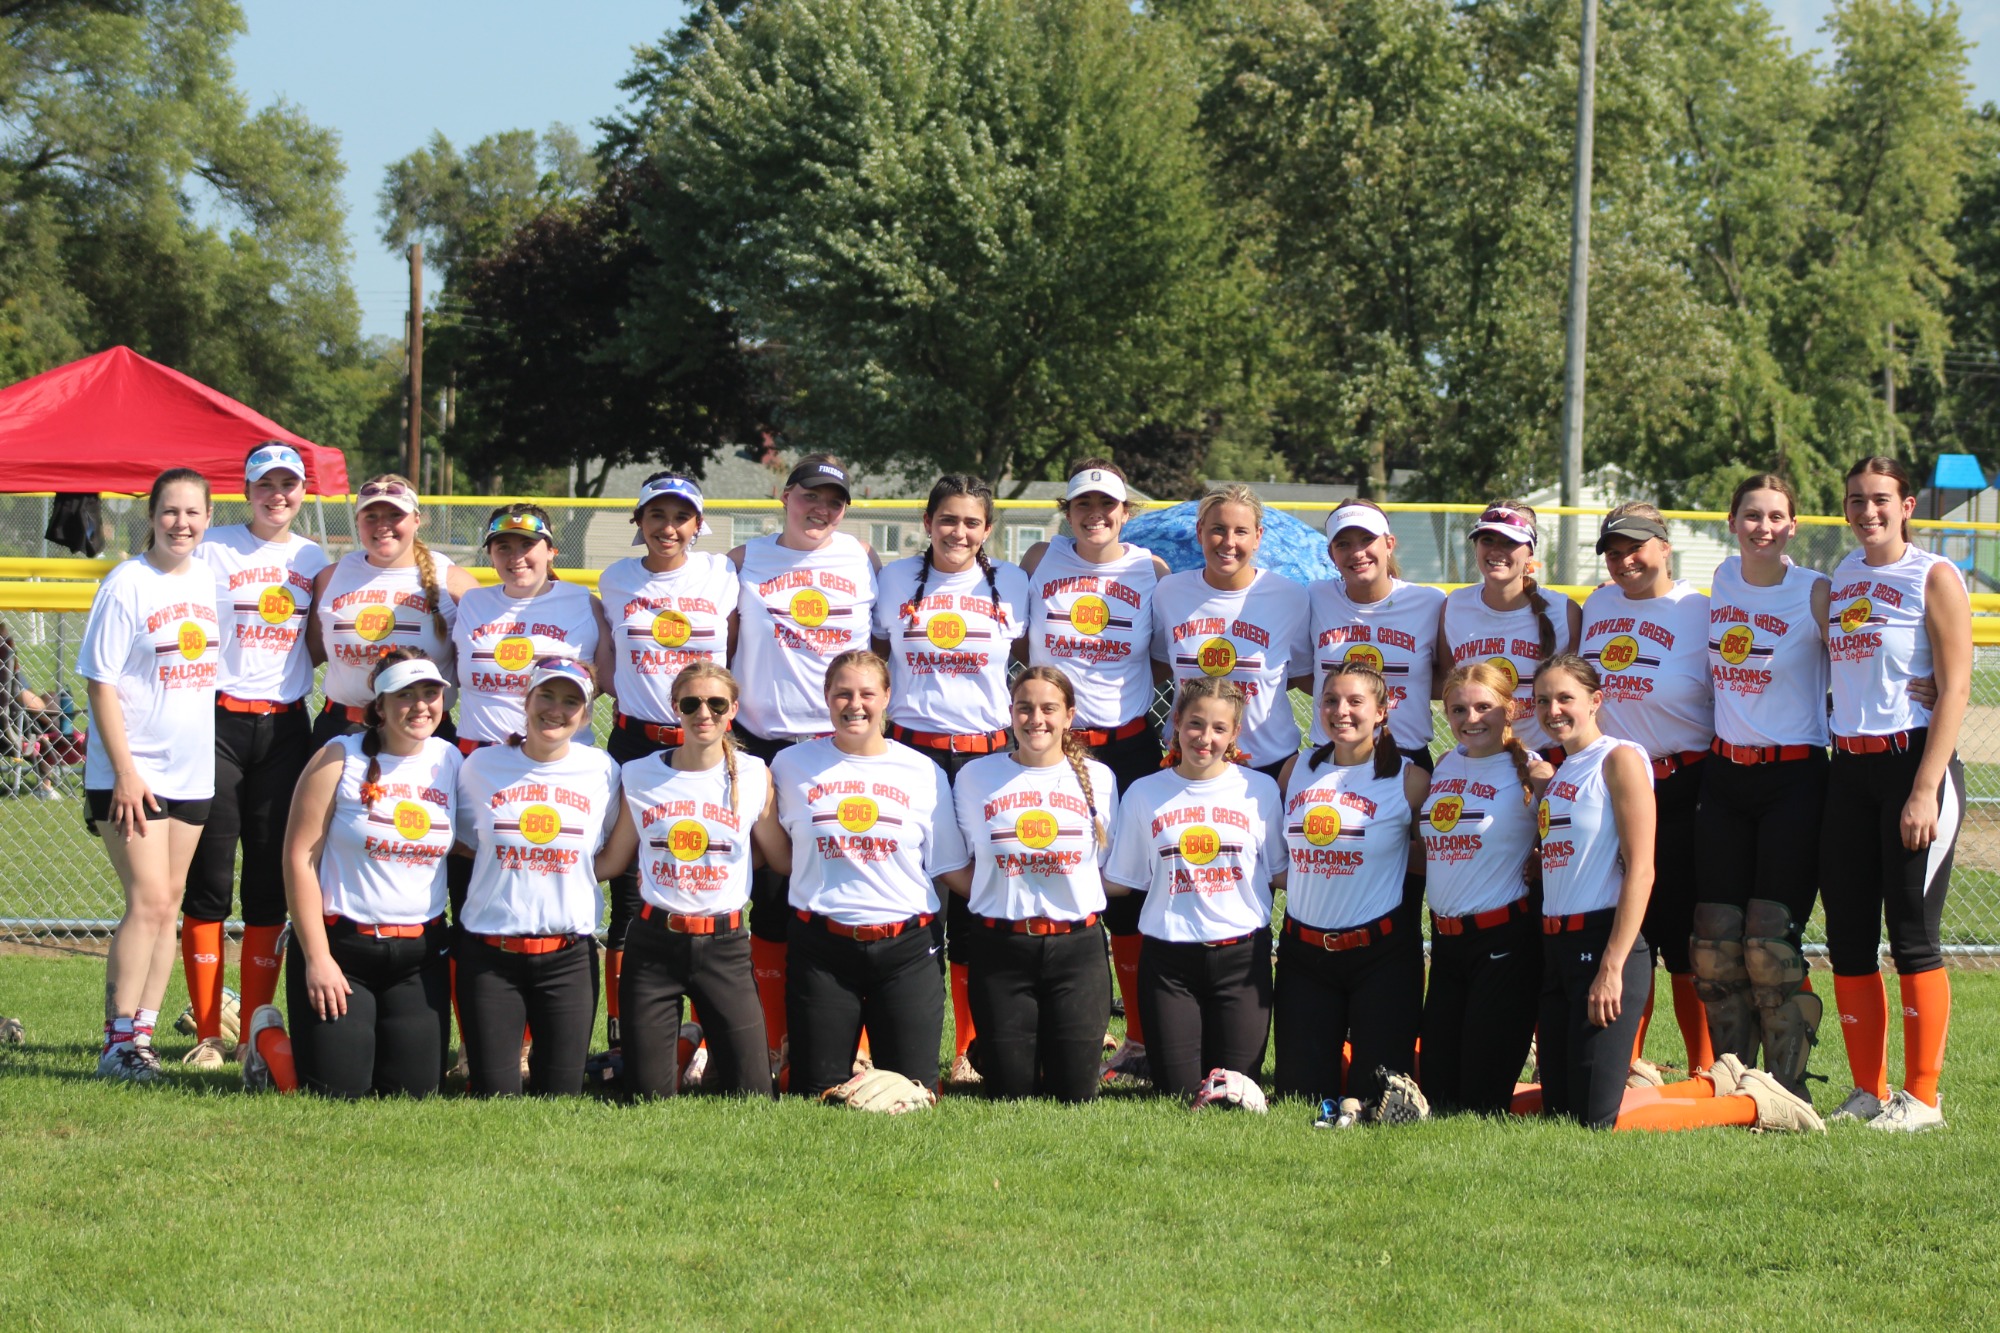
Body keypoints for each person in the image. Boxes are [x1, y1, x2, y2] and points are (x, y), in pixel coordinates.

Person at [1821, 456, 1970, 1131]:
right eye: (1856, 499)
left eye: (1881, 499)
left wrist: (1925, 789)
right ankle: (1867, 1089)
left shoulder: (1932, 574)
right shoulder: (1842, 575)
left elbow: (1956, 686)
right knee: (1849, 936)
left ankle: (1923, 1098)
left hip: (1912, 765)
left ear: (1907, 505)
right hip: (1848, 769)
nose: (1867, 511)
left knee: (1912, 935)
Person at [872, 474, 1030, 1086]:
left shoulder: (1010, 582)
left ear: (987, 530)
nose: (958, 532)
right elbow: (875, 656)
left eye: (971, 522)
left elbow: (1029, 658)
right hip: (911, 754)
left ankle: (966, 1050)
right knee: (900, 895)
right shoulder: (894, 579)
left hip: (985, 758)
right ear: (927, 522)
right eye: (947, 519)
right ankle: (872, 1043)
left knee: (973, 900)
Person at [730, 455, 881, 1086]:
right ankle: (772, 1040)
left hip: (838, 742)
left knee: (852, 882)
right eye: (809, 496)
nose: (821, 509)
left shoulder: (863, 558)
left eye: (834, 501)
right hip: (764, 743)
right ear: (784, 495)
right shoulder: (744, 560)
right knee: (769, 893)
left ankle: (859, 1046)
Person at [179, 443, 329, 1068]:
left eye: (288, 485)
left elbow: (318, 641)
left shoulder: (312, 557)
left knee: (269, 882)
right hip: (217, 721)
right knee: (209, 881)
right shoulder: (213, 547)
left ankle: (252, 1033)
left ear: (302, 493)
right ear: (245, 491)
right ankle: (208, 1034)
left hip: (285, 727)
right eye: (266, 485)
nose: (278, 496)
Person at [1022, 458, 1169, 1082]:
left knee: (1127, 889)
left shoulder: (1150, 570)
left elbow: (1163, 660)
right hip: (1054, 746)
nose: (1095, 515)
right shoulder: (1040, 559)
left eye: (1107, 505)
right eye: (1083, 504)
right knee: (1048, 870)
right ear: (1067, 511)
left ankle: (1139, 1038)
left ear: (1126, 512)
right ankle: (1053, 1023)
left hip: (1127, 744)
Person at [770, 650, 971, 1097]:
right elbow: (777, 852)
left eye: (867, 693)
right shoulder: (789, 766)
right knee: (814, 1093)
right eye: (843, 693)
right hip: (821, 946)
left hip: (905, 948)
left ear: (887, 697)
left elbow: (949, 865)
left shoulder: (923, 770)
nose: (854, 704)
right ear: (826, 696)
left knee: (912, 1092)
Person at [79, 468, 219, 1080]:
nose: (180, 523)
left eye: (192, 513)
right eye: (169, 511)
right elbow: (100, 684)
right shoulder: (127, 584)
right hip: (133, 774)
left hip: (192, 772)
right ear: (152, 516)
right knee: (148, 900)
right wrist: (126, 772)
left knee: (171, 904)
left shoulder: (208, 578)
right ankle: (116, 1043)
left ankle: (142, 1037)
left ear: (208, 519)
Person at [1694, 475, 1832, 1093]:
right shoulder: (1723, 578)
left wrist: (1927, 681)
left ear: (1793, 526)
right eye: (1752, 515)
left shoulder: (1815, 591)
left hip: (1793, 777)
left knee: (1769, 945)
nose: (1764, 527)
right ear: (1732, 522)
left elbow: (1866, 655)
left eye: (1777, 516)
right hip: (1725, 776)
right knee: (1714, 942)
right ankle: (1732, 1078)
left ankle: (1785, 1088)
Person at [595, 662, 788, 1098]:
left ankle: (699, 1046)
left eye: (716, 703)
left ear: (733, 709)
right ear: (674, 708)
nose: (704, 713)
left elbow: (778, 857)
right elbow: (613, 860)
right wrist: (540, 864)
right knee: (647, 1096)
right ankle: (687, 1044)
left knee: (753, 1094)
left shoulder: (754, 774)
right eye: (691, 703)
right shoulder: (640, 774)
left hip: (725, 944)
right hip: (654, 944)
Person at [272, 649, 459, 1097]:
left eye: (430, 693)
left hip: (418, 957)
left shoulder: (450, 760)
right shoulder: (339, 757)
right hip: (343, 950)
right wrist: (318, 959)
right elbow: (299, 858)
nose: (420, 706)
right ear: (380, 704)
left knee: (414, 1096)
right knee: (339, 1092)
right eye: (405, 695)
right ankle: (267, 1044)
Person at [597, 473, 739, 1057]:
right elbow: (608, 657)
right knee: (632, 896)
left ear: (698, 525)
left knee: (706, 882)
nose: (669, 527)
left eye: (681, 517)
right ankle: (627, 1034)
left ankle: (706, 1035)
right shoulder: (615, 578)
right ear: (638, 522)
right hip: (636, 742)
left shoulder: (722, 573)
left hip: (705, 742)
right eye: (656, 515)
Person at [1577, 503, 1715, 1079]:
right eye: (1613, 552)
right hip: (1609, 787)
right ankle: (1627, 1064)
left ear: (1664, 547)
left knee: (1684, 937)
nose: (1624, 561)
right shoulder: (1598, 605)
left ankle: (1706, 1067)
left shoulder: (1701, 611)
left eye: (1635, 547)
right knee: (1625, 931)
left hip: (1681, 782)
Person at [1101, 677, 1285, 1100]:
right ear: (1177, 723)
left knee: (1235, 1090)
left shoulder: (1259, 791)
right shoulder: (1144, 793)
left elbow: (1281, 873)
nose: (1205, 737)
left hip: (1241, 959)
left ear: (1235, 733)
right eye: (1196, 724)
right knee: (1178, 1093)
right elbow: (1122, 881)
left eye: (1219, 728)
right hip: (1170, 963)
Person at [454, 658, 623, 1097]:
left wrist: (568, 870)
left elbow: (610, 849)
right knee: (495, 1095)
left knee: (561, 1094)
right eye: (546, 695)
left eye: (571, 702)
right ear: (526, 700)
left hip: (567, 955)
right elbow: (462, 839)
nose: (556, 710)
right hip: (491, 954)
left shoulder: (602, 770)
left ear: (585, 714)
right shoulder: (481, 766)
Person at [950, 667, 1119, 1102]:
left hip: (1077, 949)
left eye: (1049, 708)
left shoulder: (1100, 779)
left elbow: (1100, 870)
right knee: (1011, 1092)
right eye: (1024, 708)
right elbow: (956, 864)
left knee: (1074, 1094)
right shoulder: (975, 777)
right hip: (1001, 948)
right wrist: (997, 894)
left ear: (1069, 716)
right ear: (1010, 713)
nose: (1036, 719)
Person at [1271, 665, 1429, 1107]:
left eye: (1355, 701)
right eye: (1331, 700)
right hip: (1304, 954)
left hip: (1381, 955)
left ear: (1382, 711)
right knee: (1299, 1098)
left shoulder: (1410, 780)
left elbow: (1435, 858)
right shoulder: (1295, 770)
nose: (1341, 711)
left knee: (1378, 1095)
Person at [1417, 662, 1545, 1115]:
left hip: (1503, 942)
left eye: (1483, 707)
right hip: (1446, 944)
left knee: (1480, 1102)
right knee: (1437, 1094)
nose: (1471, 719)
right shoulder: (1446, 763)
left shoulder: (1535, 772)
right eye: (1458, 709)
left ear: (1510, 709)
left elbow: (1572, 840)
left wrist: (1540, 858)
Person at [1153, 484, 1313, 785]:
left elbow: (1299, 674)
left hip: (1267, 763)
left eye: (1241, 531)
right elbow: (1160, 663)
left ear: (1258, 537)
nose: (1228, 542)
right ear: (1200, 531)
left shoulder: (1289, 597)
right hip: (1190, 760)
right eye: (1218, 529)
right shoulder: (1169, 592)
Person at [308, 474, 478, 745]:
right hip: (345, 728)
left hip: (423, 733)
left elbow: (477, 664)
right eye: (371, 516)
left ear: (417, 520)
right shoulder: (331, 577)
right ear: (358, 521)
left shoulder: (452, 581)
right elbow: (311, 653)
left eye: (395, 514)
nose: (382, 525)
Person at [452, 503, 607, 752]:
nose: (516, 557)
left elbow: (610, 679)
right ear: (490, 556)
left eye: (527, 544)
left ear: (551, 551)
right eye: (503, 547)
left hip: (558, 758)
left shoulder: (584, 603)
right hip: (479, 756)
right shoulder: (472, 603)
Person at [1309, 500, 1445, 770]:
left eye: (1367, 539)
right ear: (1331, 554)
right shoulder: (1315, 597)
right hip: (1331, 753)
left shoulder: (1430, 602)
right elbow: (1303, 674)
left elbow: (1445, 679)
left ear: (1389, 544)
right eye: (1343, 544)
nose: (1357, 552)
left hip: (1404, 754)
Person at [1439, 502, 1580, 758]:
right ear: (1476, 547)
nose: (1496, 550)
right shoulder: (1454, 606)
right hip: (1480, 755)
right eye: (1487, 540)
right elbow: (1449, 683)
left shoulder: (1563, 612)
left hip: (1546, 756)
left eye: (1509, 542)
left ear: (1530, 554)